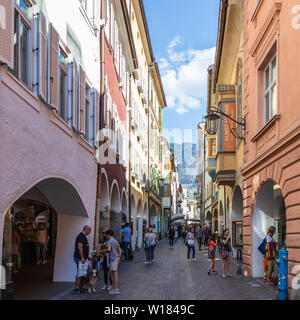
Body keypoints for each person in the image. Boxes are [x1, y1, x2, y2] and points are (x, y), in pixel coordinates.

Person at [73, 225, 92, 294]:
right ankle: (77, 288)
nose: (90, 232)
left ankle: (79, 287)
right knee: (80, 273)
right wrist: (82, 257)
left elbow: (84, 248)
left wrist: (87, 257)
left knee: (84, 272)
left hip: (82, 258)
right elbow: (80, 247)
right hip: (79, 258)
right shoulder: (81, 236)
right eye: (90, 231)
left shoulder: (84, 236)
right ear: (86, 229)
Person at [106, 229, 122, 295]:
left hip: (113, 259)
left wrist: (105, 251)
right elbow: (120, 250)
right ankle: (113, 287)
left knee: (114, 273)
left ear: (108, 235)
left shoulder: (110, 241)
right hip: (116, 258)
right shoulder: (115, 241)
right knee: (111, 272)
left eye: (107, 235)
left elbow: (109, 250)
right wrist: (119, 258)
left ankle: (116, 288)